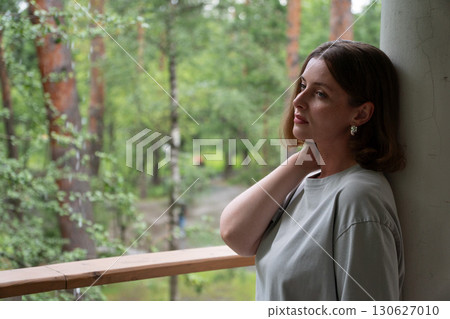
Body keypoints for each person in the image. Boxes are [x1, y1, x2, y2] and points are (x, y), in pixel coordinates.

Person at [220, 40, 406, 301]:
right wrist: (302, 160)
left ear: (361, 114)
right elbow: (235, 235)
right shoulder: (305, 179)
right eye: (304, 86)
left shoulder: (359, 198)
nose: (297, 100)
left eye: (320, 94)